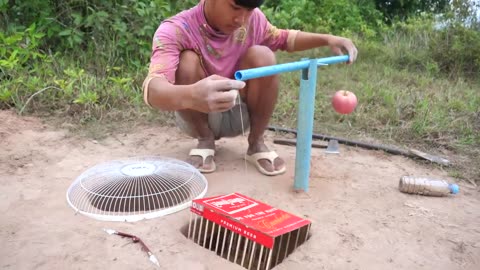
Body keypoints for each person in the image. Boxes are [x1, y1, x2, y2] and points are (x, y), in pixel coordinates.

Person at [143, 0, 358, 176]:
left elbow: (285, 39)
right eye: (235, 7)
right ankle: (204, 139)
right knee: (187, 61)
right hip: (195, 112)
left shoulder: (252, 21)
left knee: (264, 55)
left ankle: (256, 142)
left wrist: (327, 39)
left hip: (240, 113)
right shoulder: (177, 29)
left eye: (249, 10)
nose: (241, 19)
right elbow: (153, 89)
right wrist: (192, 95)